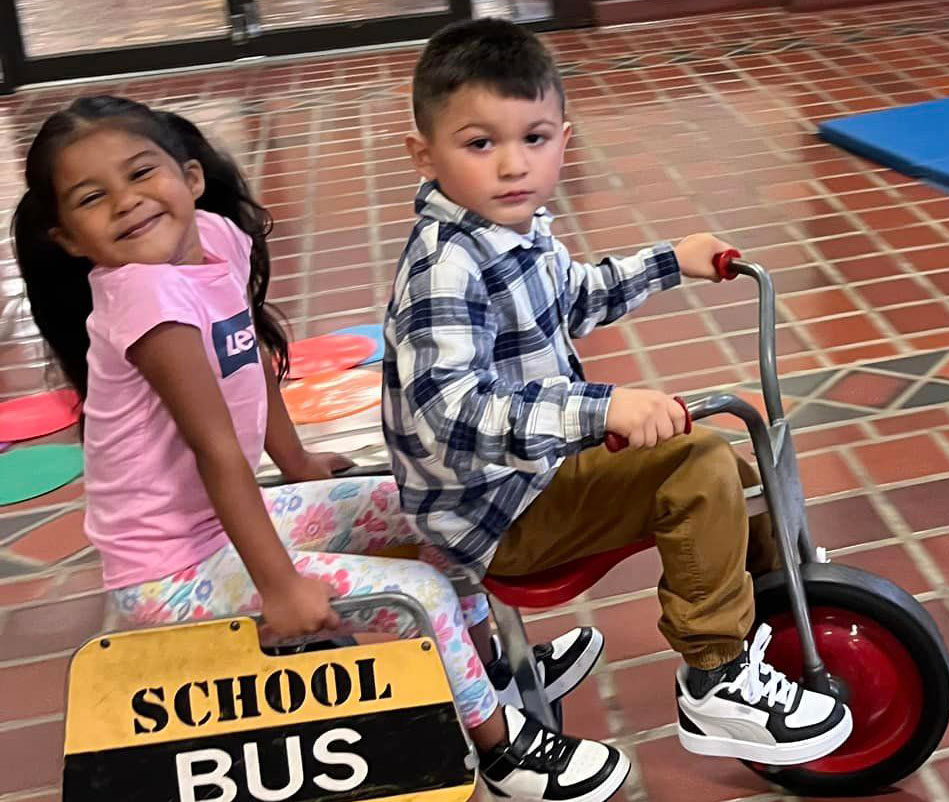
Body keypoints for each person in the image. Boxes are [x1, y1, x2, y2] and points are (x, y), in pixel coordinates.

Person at [11, 95, 610, 798]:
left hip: (218, 527)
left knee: (428, 504)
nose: (128, 202)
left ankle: (490, 677)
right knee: (419, 592)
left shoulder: (215, 239)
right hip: (169, 567)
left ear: (191, 178)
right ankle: (502, 751)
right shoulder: (149, 304)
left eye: (143, 173)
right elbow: (218, 456)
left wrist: (295, 463)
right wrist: (279, 585)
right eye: (93, 197)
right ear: (69, 238)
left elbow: (248, 356)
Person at [384, 17, 854, 802]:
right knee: (697, 463)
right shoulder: (446, 266)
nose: (513, 165)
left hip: (532, 474)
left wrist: (675, 261)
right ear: (423, 154)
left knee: (733, 471)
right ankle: (717, 678)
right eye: (479, 144)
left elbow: (577, 295)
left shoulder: (516, 230)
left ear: (564, 140)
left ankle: (783, 599)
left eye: (534, 139)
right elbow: (454, 409)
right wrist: (601, 410)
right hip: (496, 514)